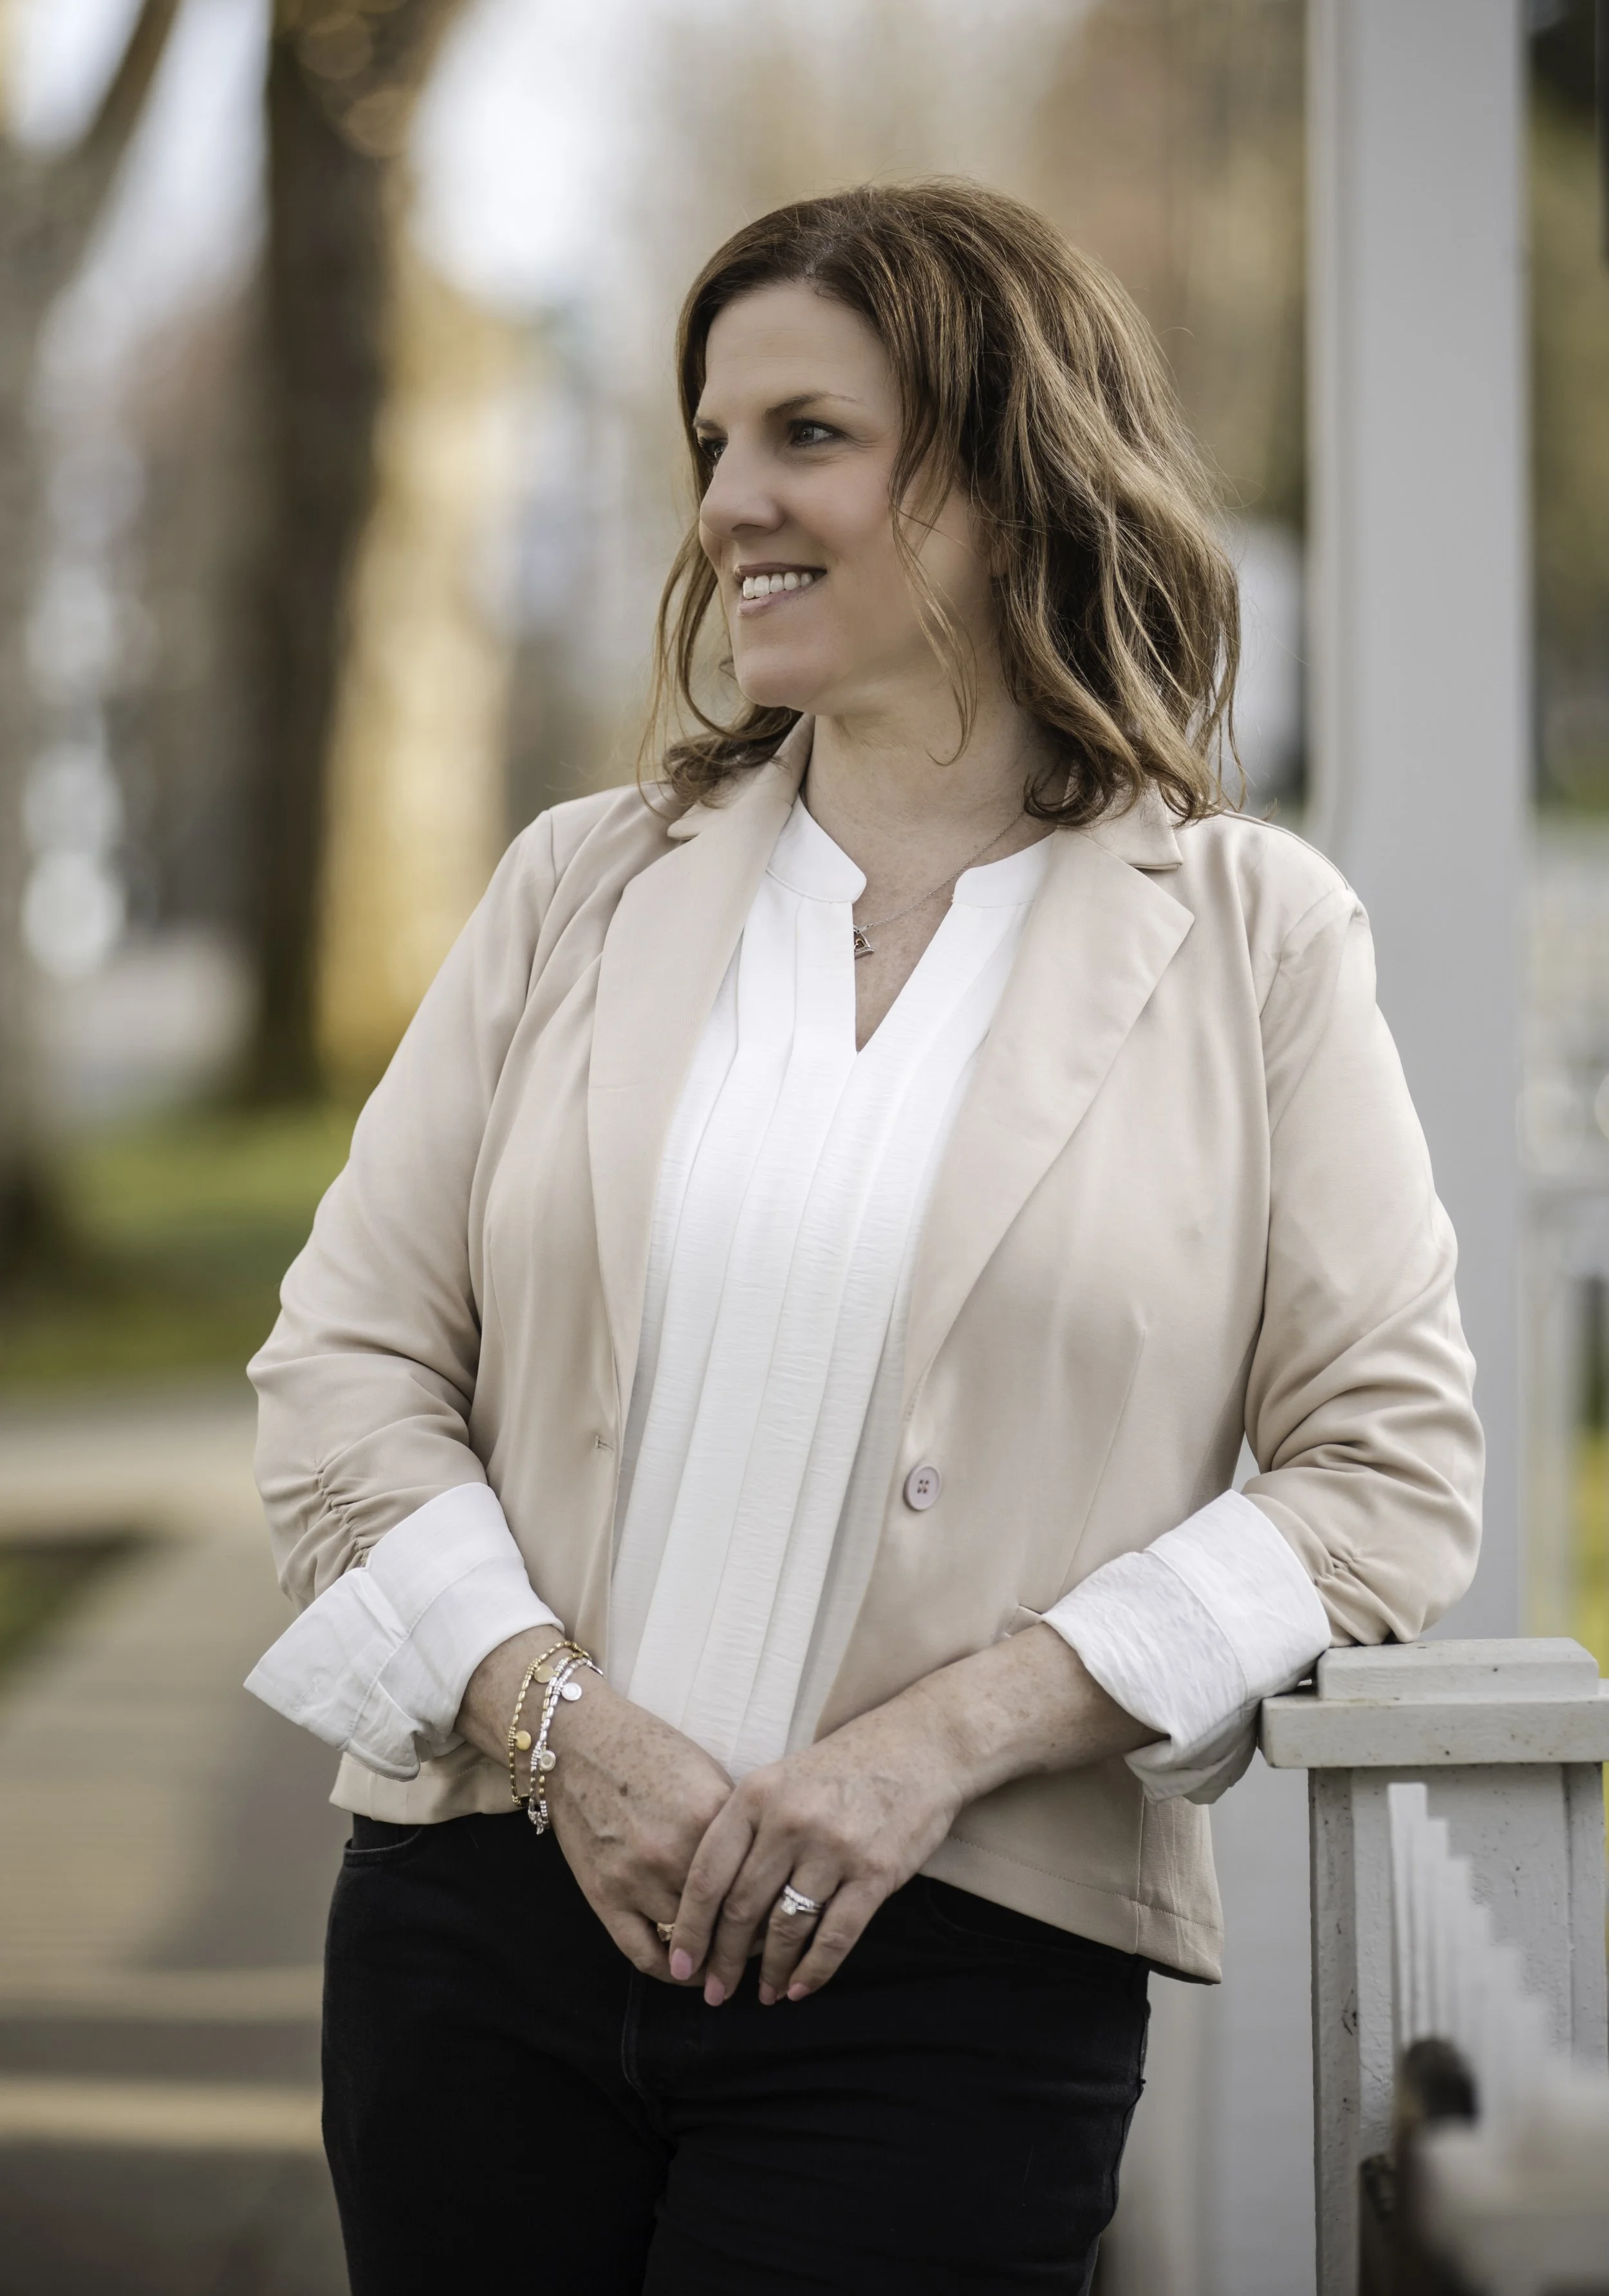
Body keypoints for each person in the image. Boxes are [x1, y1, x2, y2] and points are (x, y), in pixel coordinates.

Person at [245, 179, 1482, 2295]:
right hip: (479, 1945)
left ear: (1010, 474)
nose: (730, 500)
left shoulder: (1254, 936)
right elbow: (344, 1370)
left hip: (953, 1990)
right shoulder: (576, 888)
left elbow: (1380, 1479)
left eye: (807, 434)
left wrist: (938, 1744)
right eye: (712, 443)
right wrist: (564, 1731)